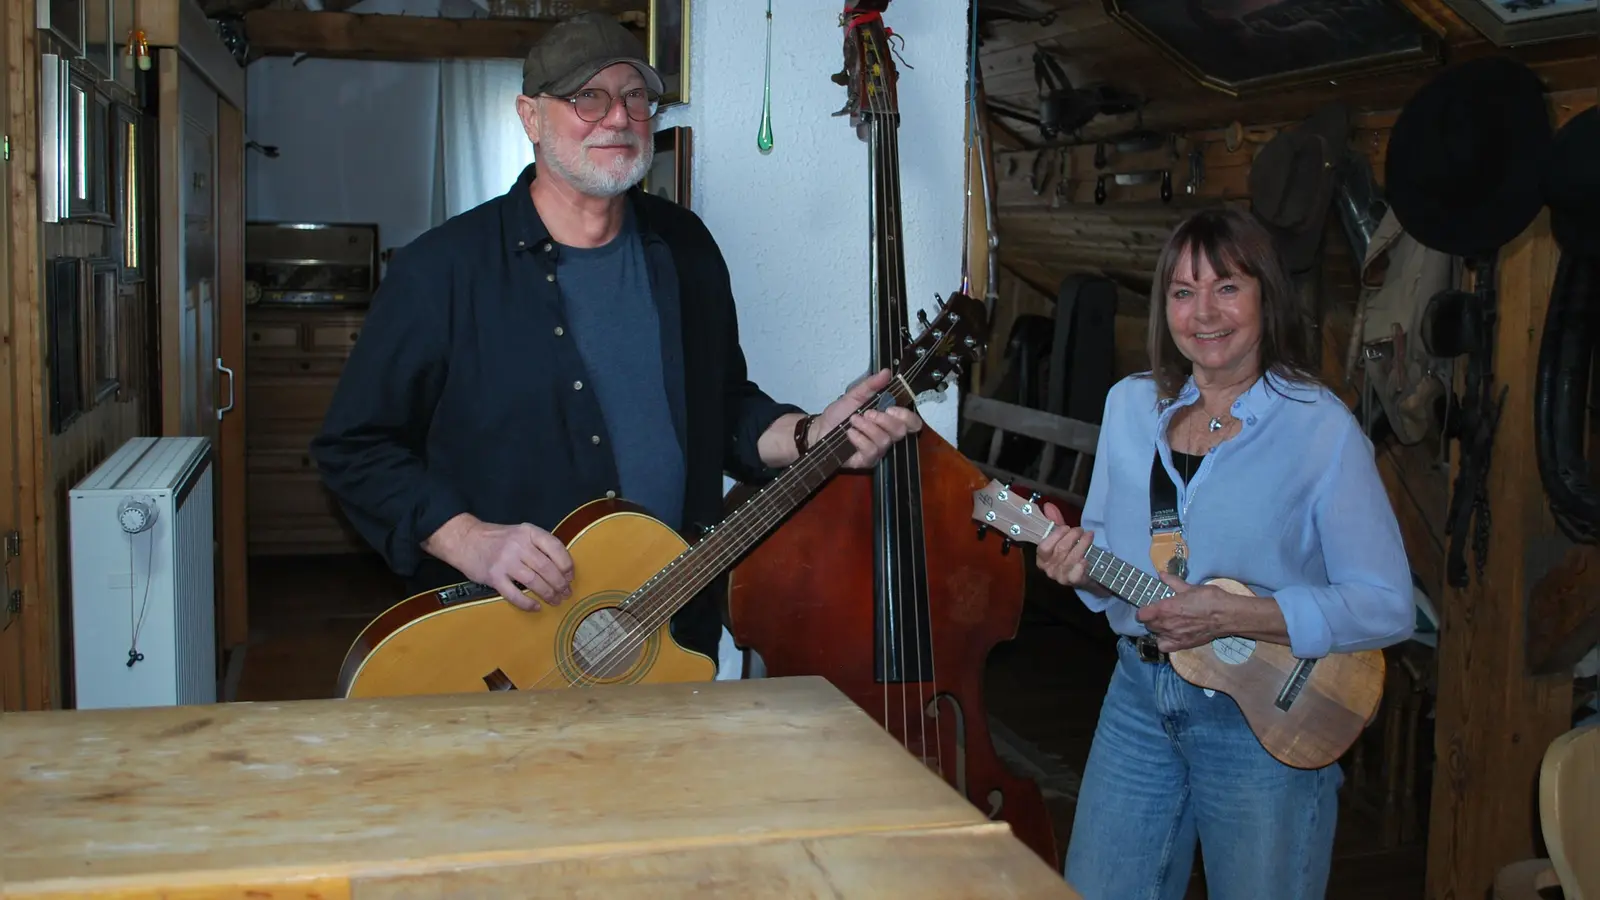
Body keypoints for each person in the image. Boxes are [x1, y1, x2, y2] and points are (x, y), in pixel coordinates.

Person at [308, 12, 921, 670]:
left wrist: (810, 434)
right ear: (531, 116)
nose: (619, 117)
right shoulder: (441, 272)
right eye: (587, 97)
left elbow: (718, 404)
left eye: (636, 97)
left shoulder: (685, 248)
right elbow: (354, 448)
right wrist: (471, 540)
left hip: (666, 620)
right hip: (504, 642)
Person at [1032, 207, 1414, 899]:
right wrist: (1077, 567)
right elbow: (1109, 551)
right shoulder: (1128, 407)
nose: (1203, 312)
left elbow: (1387, 606)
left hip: (1265, 715)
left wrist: (1238, 617)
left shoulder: (1319, 429)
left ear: (1267, 294)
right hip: (1138, 700)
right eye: (1182, 292)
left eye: (1227, 287)